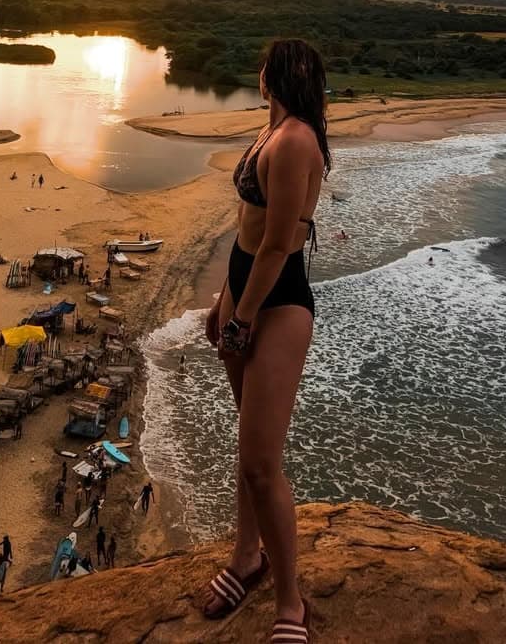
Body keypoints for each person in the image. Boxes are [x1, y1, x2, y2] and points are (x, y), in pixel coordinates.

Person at [201, 39, 326, 641]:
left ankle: (290, 604)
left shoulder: (296, 139)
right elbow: (246, 233)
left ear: (269, 76)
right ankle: (246, 558)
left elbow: (277, 246)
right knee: (249, 450)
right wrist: (223, 302)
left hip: (277, 303)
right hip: (244, 292)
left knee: (260, 463)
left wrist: (243, 317)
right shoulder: (270, 131)